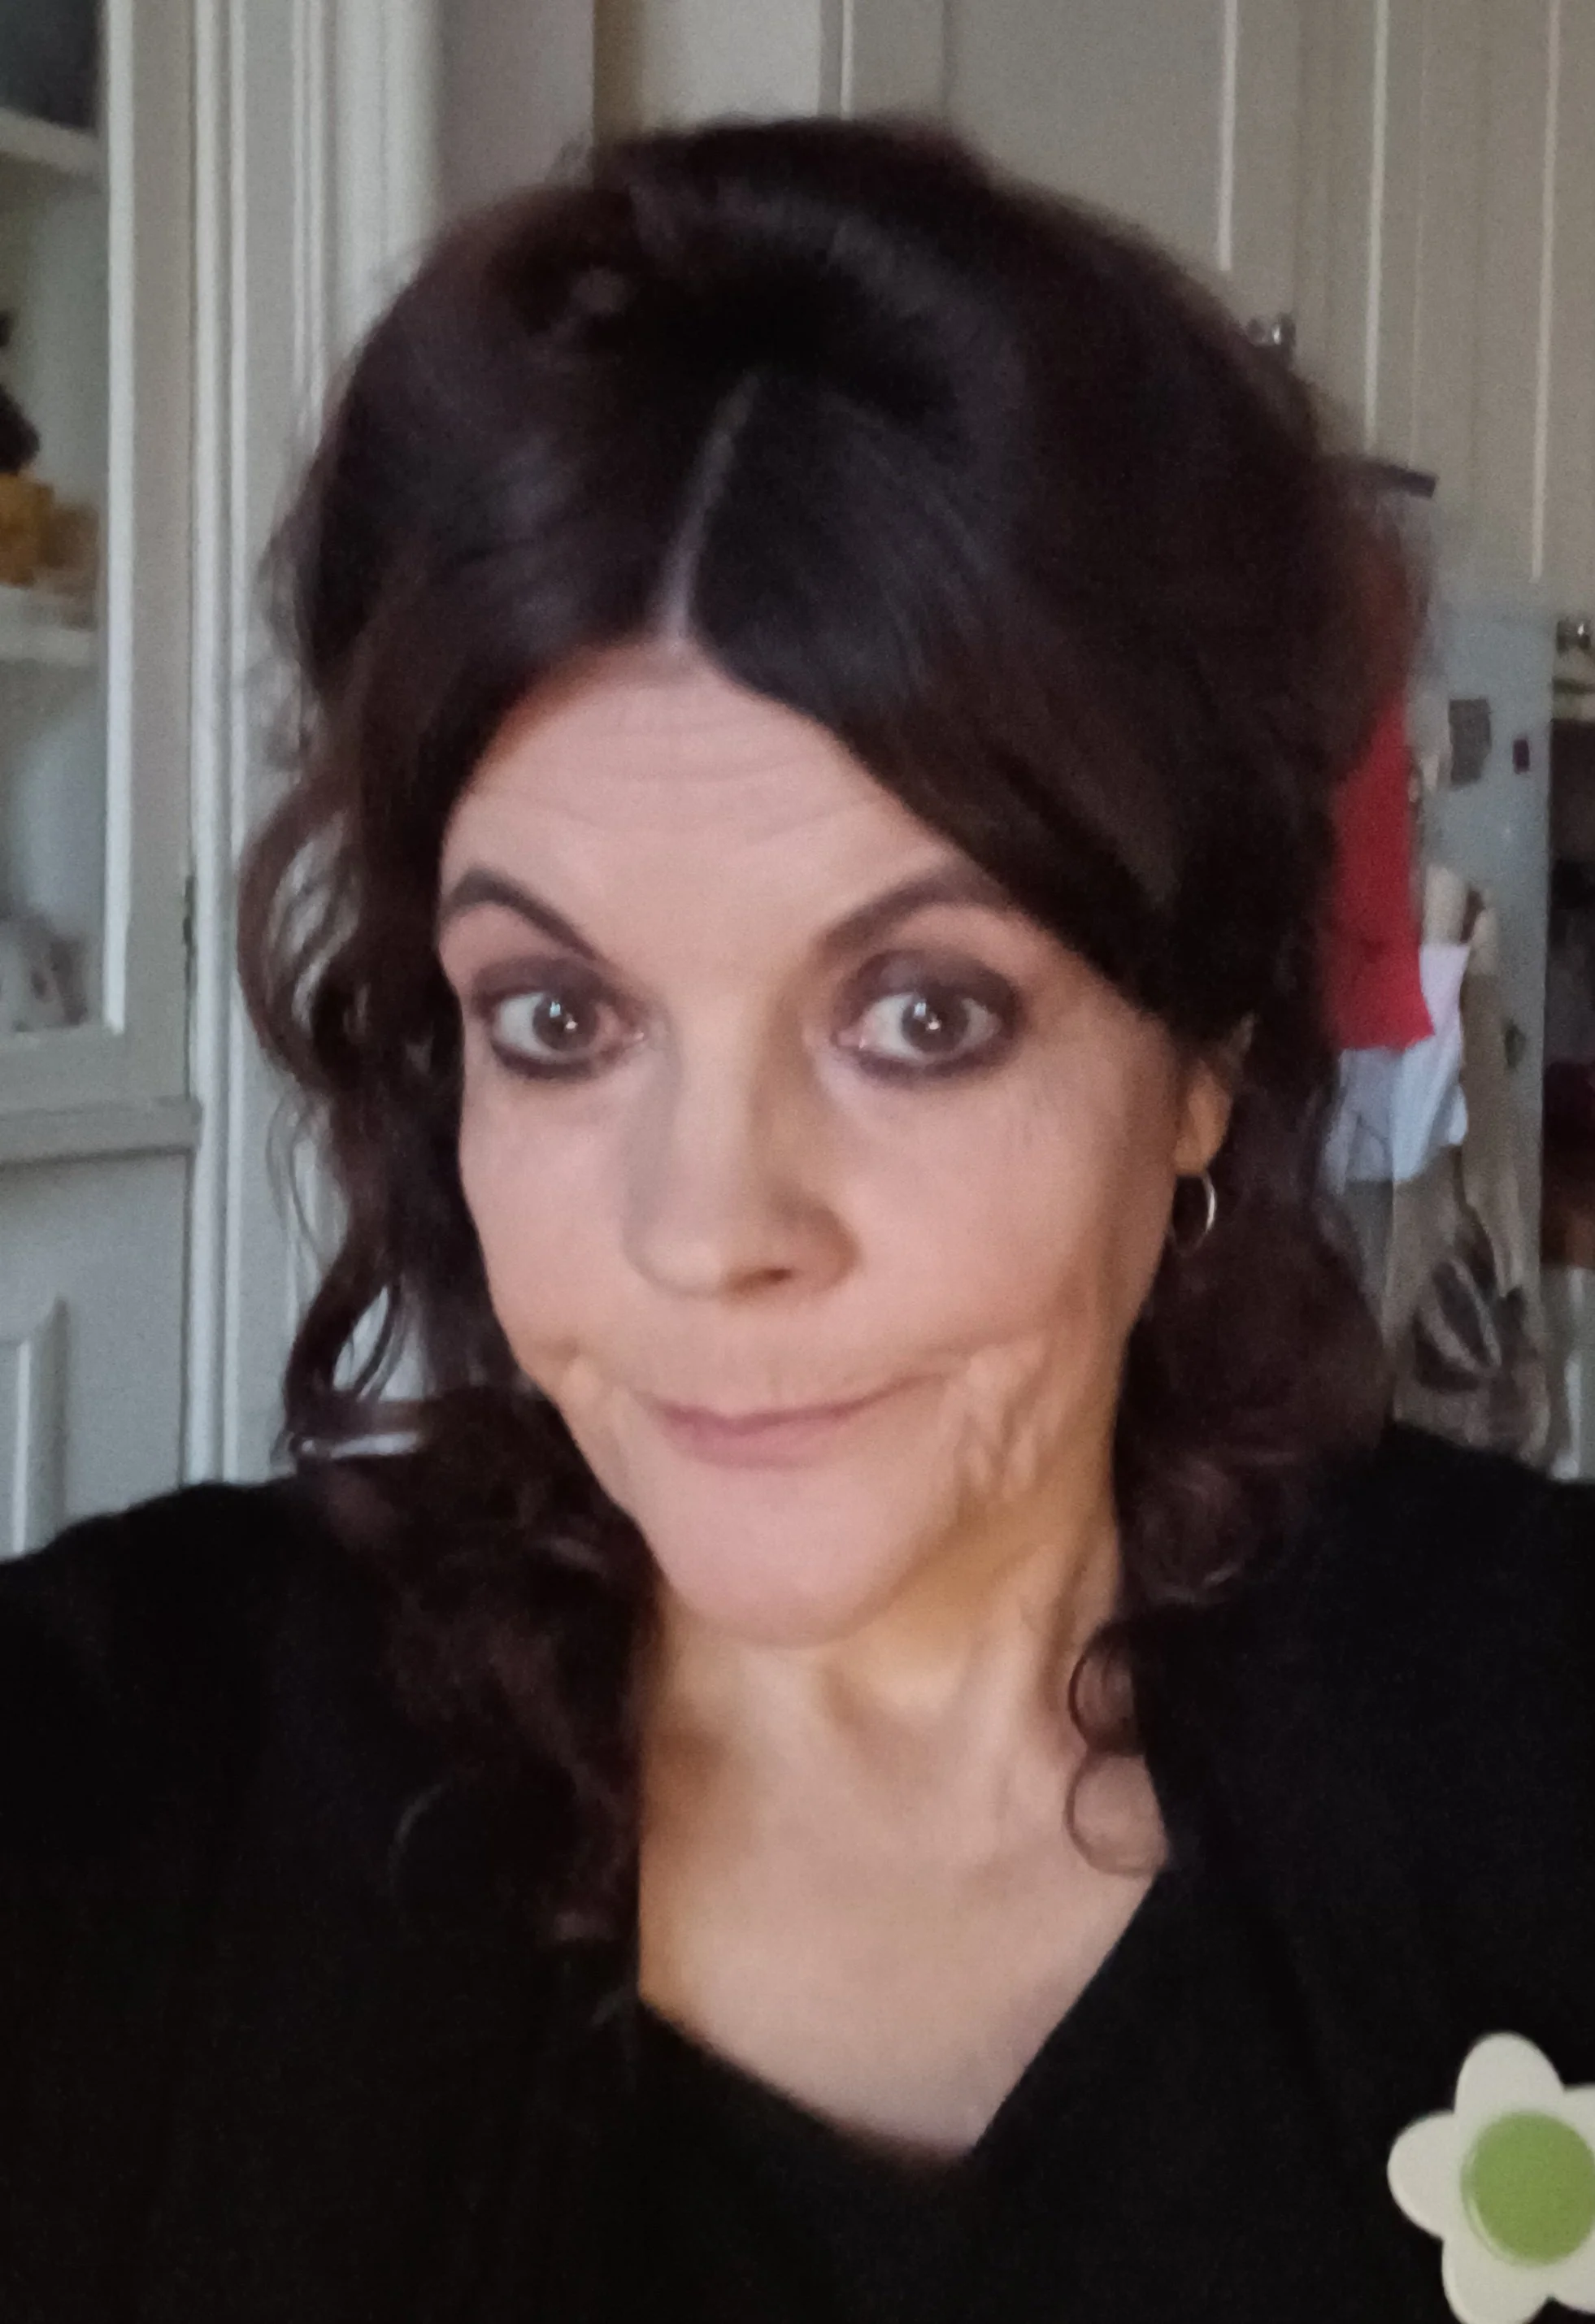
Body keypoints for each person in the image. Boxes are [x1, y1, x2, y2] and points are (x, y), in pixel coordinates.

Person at [1, 115, 1590, 2324]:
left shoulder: (1531, 1740)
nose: (707, 1229)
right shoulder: (121, 1791)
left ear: (1206, 1042)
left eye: (922, 1014)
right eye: (559, 1017)